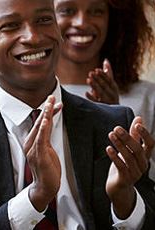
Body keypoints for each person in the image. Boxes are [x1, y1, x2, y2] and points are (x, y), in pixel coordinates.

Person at [0, 0, 155, 228]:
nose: (32, 36)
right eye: (10, 25)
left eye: (43, 20)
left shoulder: (114, 124)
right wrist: (35, 197)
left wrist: (125, 201)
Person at [53, 0, 155, 181]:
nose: (81, 22)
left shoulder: (148, 97)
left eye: (96, 11)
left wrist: (114, 119)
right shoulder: (32, 96)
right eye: (67, 11)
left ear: (113, 19)